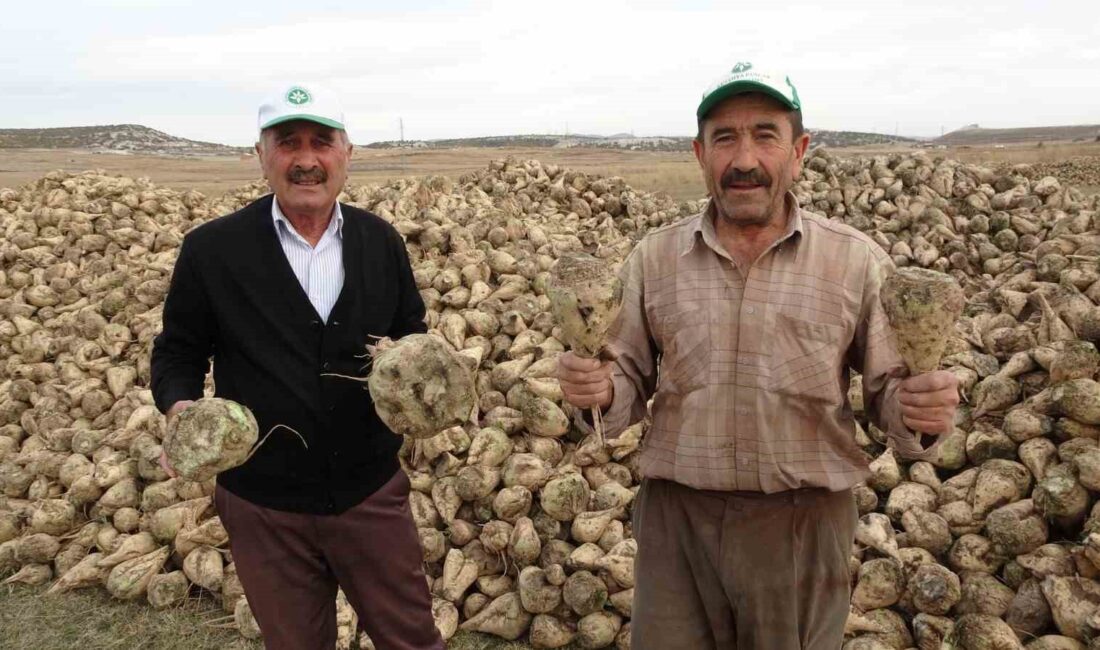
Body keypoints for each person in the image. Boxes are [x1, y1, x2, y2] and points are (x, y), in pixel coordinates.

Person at [557, 63, 960, 650]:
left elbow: (888, 397)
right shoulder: (654, 259)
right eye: (725, 137)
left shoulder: (855, 262)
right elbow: (626, 382)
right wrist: (596, 390)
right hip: (677, 527)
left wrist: (920, 410)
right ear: (700, 153)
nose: (743, 159)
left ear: (798, 151)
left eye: (765, 135)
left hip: (801, 526)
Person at [151, 82, 443, 650]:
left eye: (322, 142)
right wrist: (181, 409)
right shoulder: (212, 250)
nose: (306, 159)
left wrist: (427, 385)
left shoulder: (381, 242)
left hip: (370, 494)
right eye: (287, 143)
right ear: (261, 157)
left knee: (412, 639)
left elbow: (413, 338)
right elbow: (178, 351)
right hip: (262, 505)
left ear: (347, 155)